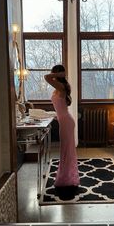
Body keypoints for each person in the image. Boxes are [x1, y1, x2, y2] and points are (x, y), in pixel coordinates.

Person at [44, 65, 80, 198]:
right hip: (64, 120)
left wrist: (59, 75)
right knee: (65, 150)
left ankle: (66, 178)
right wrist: (54, 115)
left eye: (54, 72)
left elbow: (46, 77)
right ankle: (66, 176)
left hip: (66, 122)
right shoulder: (58, 86)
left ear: (58, 74)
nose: (51, 74)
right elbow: (61, 107)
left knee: (66, 150)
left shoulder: (61, 86)